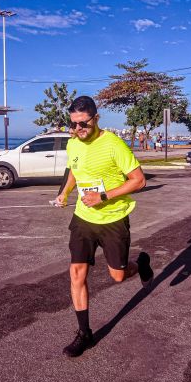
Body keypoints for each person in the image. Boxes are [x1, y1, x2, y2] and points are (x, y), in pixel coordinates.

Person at [55, 96, 154, 357]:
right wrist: (65, 193)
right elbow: (75, 171)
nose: (78, 130)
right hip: (83, 218)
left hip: (113, 219)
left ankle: (140, 264)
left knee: (118, 276)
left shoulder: (113, 144)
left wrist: (104, 196)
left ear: (96, 118)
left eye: (83, 124)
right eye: (73, 125)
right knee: (77, 274)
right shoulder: (73, 143)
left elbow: (139, 181)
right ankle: (84, 333)